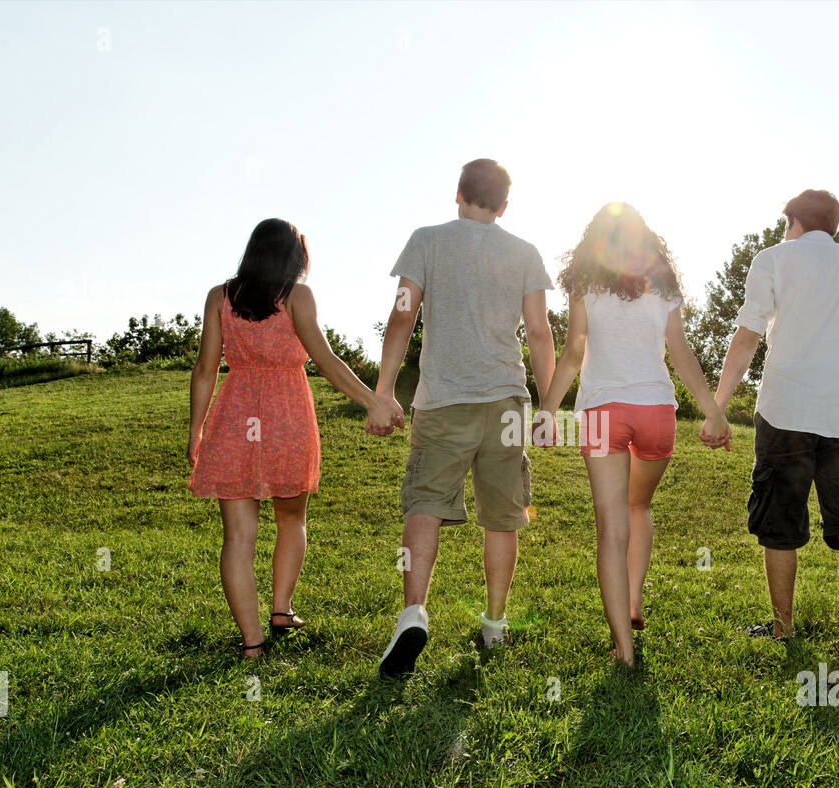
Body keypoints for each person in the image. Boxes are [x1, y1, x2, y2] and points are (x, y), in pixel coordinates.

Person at [372, 159, 556, 678]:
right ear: (503, 206)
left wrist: (384, 390)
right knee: (502, 515)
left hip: (443, 401)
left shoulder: (426, 241)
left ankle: (413, 612)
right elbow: (539, 332)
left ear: (458, 194)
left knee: (425, 505)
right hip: (506, 404)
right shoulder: (523, 252)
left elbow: (403, 314)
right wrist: (546, 407)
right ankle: (494, 624)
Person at [188, 218, 397, 658]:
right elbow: (326, 359)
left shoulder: (219, 298)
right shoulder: (297, 296)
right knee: (291, 520)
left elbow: (206, 368)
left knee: (237, 540)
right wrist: (372, 400)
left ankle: (252, 643)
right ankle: (281, 609)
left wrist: (197, 428)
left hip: (233, 418)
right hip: (287, 418)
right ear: (294, 256)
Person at [532, 202, 729, 667]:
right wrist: (713, 412)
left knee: (610, 528)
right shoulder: (662, 284)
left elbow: (574, 354)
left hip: (603, 411)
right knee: (639, 505)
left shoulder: (584, 285)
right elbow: (679, 352)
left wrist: (546, 411)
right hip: (656, 410)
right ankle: (634, 599)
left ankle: (624, 648)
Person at [710, 189, 839, 674]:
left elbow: (748, 337)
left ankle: (783, 628)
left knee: (780, 525)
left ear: (792, 221)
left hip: (785, 413)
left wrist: (718, 405)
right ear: (833, 225)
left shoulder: (773, 259)